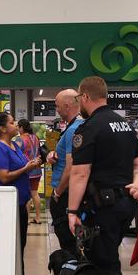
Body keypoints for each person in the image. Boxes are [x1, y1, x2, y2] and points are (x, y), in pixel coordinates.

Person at [67, 76, 138, 272]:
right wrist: (137, 183)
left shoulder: (88, 128)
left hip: (103, 207)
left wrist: (72, 212)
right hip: (126, 204)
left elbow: (80, 174)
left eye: (78, 98)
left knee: (102, 264)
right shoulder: (124, 124)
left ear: (85, 96)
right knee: (109, 254)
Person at [0, 112, 42, 275]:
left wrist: (31, 164)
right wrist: (27, 168)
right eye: (11, 122)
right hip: (4, 206)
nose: (15, 124)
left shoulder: (14, 145)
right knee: (6, 247)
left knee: (19, 246)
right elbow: (4, 177)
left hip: (18, 204)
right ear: (2, 128)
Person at [46, 89, 83, 256]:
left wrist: (57, 192)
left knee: (69, 245)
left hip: (66, 195)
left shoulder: (75, 128)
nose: (57, 109)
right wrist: (54, 154)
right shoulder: (73, 127)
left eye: (58, 106)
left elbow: (71, 166)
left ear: (67, 106)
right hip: (68, 193)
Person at [16, 119, 43, 224]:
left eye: (18, 127)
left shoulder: (20, 139)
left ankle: (26, 219)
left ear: (22, 127)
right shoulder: (35, 137)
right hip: (37, 169)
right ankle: (38, 217)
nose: (17, 129)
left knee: (26, 194)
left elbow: (15, 152)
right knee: (35, 193)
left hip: (27, 170)